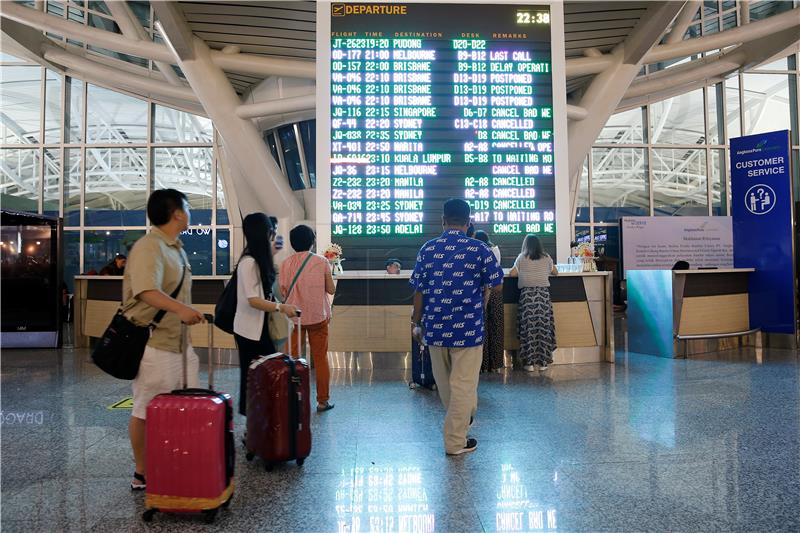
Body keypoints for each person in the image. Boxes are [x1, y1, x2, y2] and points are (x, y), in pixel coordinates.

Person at [125, 189, 206, 491]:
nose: (189, 212)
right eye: (187, 207)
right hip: (154, 344)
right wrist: (182, 309)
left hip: (179, 343)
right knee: (146, 407)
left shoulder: (175, 247)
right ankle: (141, 472)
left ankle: (175, 460)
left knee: (182, 405)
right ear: (177, 213)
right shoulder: (150, 246)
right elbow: (146, 290)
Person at [411, 199, 504, 455]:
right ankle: (455, 441)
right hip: (469, 329)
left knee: (446, 385)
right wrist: (483, 288)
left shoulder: (428, 249)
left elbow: (419, 290)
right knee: (463, 386)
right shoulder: (479, 249)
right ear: (469, 222)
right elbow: (497, 284)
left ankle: (461, 421)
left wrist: (415, 322)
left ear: (443, 220)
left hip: (436, 327)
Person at [233, 213, 299, 417]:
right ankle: (251, 429)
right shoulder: (249, 263)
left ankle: (259, 424)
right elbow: (253, 300)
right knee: (251, 377)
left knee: (262, 375)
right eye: (271, 231)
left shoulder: (260, 260)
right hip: (248, 331)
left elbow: (262, 293)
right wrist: (281, 308)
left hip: (260, 329)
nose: (273, 236)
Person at [280, 224, 336, 412]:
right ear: (312, 242)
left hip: (295, 318)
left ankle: (294, 399)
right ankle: (322, 401)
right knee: (320, 358)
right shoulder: (322, 262)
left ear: (292, 243)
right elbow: (331, 289)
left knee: (294, 359)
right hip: (318, 317)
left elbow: (283, 291)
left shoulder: (285, 263)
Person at [509, 235, 558, 372]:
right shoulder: (547, 257)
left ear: (526, 245)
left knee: (529, 330)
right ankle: (543, 363)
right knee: (543, 329)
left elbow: (512, 274)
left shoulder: (521, 257)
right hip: (543, 297)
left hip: (527, 297)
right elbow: (556, 272)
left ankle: (529, 363)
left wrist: (524, 271)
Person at [473, 231, 504, 373]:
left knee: (482, 329)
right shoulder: (496, 250)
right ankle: (496, 364)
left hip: (482, 293)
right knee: (496, 328)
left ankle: (482, 365)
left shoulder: (479, 252)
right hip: (496, 295)